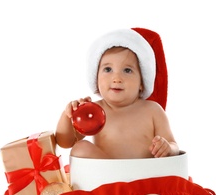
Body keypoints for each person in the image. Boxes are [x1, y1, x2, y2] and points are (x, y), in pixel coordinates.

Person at [55, 28, 179, 159]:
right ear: (96, 78)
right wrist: (68, 116)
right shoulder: (94, 111)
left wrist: (168, 148)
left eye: (127, 70)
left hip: (145, 175)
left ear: (142, 82)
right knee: (80, 148)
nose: (117, 78)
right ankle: (115, 174)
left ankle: (127, 176)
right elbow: (65, 142)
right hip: (109, 175)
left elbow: (174, 145)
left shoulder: (153, 110)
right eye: (108, 69)